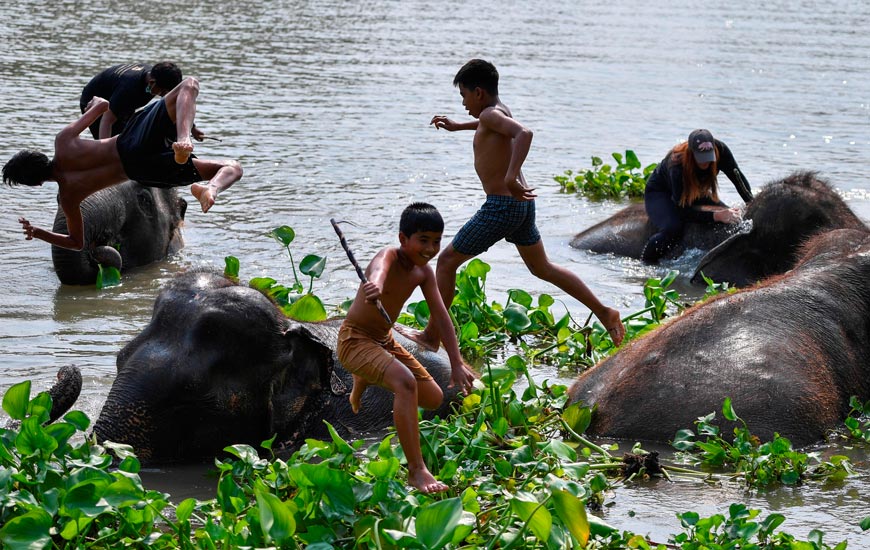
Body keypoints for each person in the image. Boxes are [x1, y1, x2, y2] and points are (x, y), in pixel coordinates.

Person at [408, 59, 625, 351]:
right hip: (521, 208)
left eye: (464, 96)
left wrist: (510, 176)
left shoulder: (490, 115)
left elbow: (524, 133)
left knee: (446, 263)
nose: (463, 104)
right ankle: (604, 312)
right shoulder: (496, 112)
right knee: (543, 267)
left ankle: (431, 337)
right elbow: (492, 125)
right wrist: (460, 126)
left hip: (501, 207)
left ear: (479, 92)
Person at [4, 77, 242, 251]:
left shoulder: (69, 196)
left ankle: (202, 181)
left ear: (35, 184)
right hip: (130, 143)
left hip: (142, 171)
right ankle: (189, 150)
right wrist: (94, 102)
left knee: (232, 167)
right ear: (38, 155)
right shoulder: (63, 141)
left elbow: (76, 243)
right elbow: (103, 106)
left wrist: (38, 232)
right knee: (189, 85)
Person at [337, 202, 476, 494]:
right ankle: (417, 471)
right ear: (403, 239)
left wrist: (457, 361)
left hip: (384, 339)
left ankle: (364, 376)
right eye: (422, 240)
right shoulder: (388, 255)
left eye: (436, 241)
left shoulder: (423, 273)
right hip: (356, 339)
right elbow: (378, 272)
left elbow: (441, 315)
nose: (430, 248)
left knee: (433, 397)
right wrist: (373, 286)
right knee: (406, 384)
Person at [641, 129, 754, 264]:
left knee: (732, 216)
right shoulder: (677, 164)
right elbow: (682, 211)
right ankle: (646, 262)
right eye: (701, 159)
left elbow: (738, 180)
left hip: (694, 192)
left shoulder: (721, 151)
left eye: (708, 158)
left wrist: (751, 203)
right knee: (673, 228)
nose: (705, 164)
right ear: (691, 153)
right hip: (661, 192)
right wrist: (717, 216)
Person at [79, 62, 206, 141]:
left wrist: (193, 128)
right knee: (112, 145)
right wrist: (104, 151)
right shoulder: (129, 88)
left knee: (128, 140)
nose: (163, 96)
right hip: (94, 104)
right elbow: (107, 119)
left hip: (122, 103)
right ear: (152, 83)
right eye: (162, 93)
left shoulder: (156, 77)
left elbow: (179, 103)